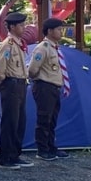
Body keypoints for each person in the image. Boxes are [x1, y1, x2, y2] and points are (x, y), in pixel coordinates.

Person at [28, 17, 71, 161]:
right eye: (58, 29)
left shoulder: (54, 48)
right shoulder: (43, 48)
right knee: (44, 118)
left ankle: (51, 146)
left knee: (52, 119)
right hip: (44, 86)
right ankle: (42, 149)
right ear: (50, 31)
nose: (61, 32)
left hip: (54, 87)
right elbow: (33, 69)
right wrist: (38, 80)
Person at [0, 12, 33, 170]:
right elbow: (0, 68)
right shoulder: (8, 44)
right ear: (12, 27)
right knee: (10, 121)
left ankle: (15, 154)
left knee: (19, 121)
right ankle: (6, 157)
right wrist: (3, 83)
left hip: (21, 84)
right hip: (10, 84)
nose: (23, 28)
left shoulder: (19, 44)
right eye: (21, 25)